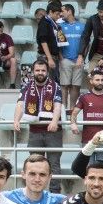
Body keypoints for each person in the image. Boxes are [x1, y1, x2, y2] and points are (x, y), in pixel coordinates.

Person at [12, 60, 64, 188]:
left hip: (53, 131)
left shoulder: (55, 86)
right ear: (33, 72)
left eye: (43, 70)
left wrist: (54, 121)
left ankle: (54, 193)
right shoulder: (26, 86)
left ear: (47, 72)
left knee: (54, 164)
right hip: (34, 131)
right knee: (34, 164)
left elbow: (58, 106)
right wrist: (16, 120)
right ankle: (33, 190)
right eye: (37, 70)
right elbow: (20, 104)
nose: (40, 73)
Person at [69, 69, 103, 151]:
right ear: (91, 81)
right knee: (88, 163)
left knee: (101, 163)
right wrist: (73, 124)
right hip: (88, 139)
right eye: (97, 80)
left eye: (102, 80)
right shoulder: (84, 97)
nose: (100, 82)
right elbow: (74, 113)